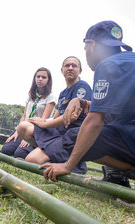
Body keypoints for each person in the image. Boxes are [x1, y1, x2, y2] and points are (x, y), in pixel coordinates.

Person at [40, 21, 135, 183]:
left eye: (85, 50)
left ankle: (127, 170)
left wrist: (68, 166)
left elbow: (95, 121)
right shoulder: (128, 62)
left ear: (91, 45)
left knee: (73, 137)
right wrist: (83, 102)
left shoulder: (107, 65)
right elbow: (117, 108)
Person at [18, 56, 92, 174]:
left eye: (74, 65)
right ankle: (49, 151)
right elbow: (56, 117)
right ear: (62, 70)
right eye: (67, 65)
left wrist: (44, 124)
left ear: (80, 70)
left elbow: (71, 117)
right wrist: (40, 121)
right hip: (58, 129)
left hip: (72, 132)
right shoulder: (63, 93)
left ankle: (74, 163)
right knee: (23, 127)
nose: (70, 68)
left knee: (31, 160)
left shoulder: (82, 87)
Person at [1, 67, 56, 159]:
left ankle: (38, 150)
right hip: (23, 128)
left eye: (44, 77)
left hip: (36, 132)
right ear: (34, 78)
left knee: (20, 154)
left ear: (48, 80)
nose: (40, 79)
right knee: (6, 150)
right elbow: (24, 116)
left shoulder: (51, 97)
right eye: (38, 76)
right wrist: (18, 131)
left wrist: (28, 138)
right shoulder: (31, 95)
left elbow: (42, 121)